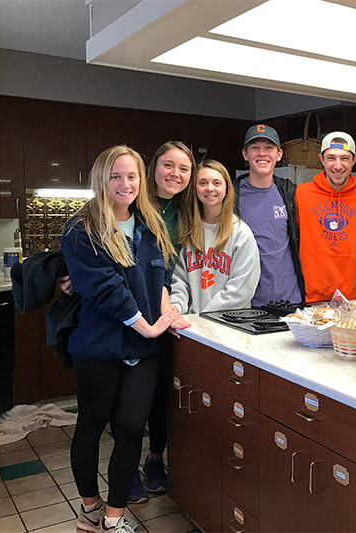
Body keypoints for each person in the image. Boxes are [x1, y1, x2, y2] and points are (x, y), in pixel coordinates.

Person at [61, 146, 190, 533]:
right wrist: (148, 326)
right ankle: (89, 509)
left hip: (143, 350)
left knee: (133, 428)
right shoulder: (82, 229)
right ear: (102, 179)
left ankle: (114, 518)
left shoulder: (151, 225)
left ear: (141, 180)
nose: (124, 184)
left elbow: (161, 277)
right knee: (92, 424)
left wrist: (166, 314)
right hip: (100, 347)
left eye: (131, 176)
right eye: (116, 176)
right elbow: (106, 289)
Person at [125, 141, 196, 503]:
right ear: (153, 168)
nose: (175, 174)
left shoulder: (187, 210)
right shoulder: (135, 203)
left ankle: (155, 461)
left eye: (184, 169)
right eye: (168, 166)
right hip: (130, 310)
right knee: (130, 399)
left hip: (167, 310)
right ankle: (126, 469)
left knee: (161, 398)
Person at [170, 160, 261, 313]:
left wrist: (203, 317)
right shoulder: (189, 230)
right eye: (203, 183)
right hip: (191, 327)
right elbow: (180, 282)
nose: (210, 188)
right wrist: (175, 309)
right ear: (195, 189)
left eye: (217, 183)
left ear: (226, 188)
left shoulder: (241, 233)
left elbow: (240, 291)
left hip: (228, 326)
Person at [295, 132, 356, 302]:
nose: (338, 166)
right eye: (331, 158)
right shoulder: (301, 193)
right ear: (321, 160)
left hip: (353, 296)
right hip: (311, 295)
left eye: (345, 158)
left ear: (354, 160)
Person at [233, 124, 304, 307]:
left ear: (279, 155)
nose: (262, 153)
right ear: (245, 154)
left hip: (290, 299)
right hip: (248, 301)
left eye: (269, 148)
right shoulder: (230, 195)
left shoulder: (290, 193)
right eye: (255, 147)